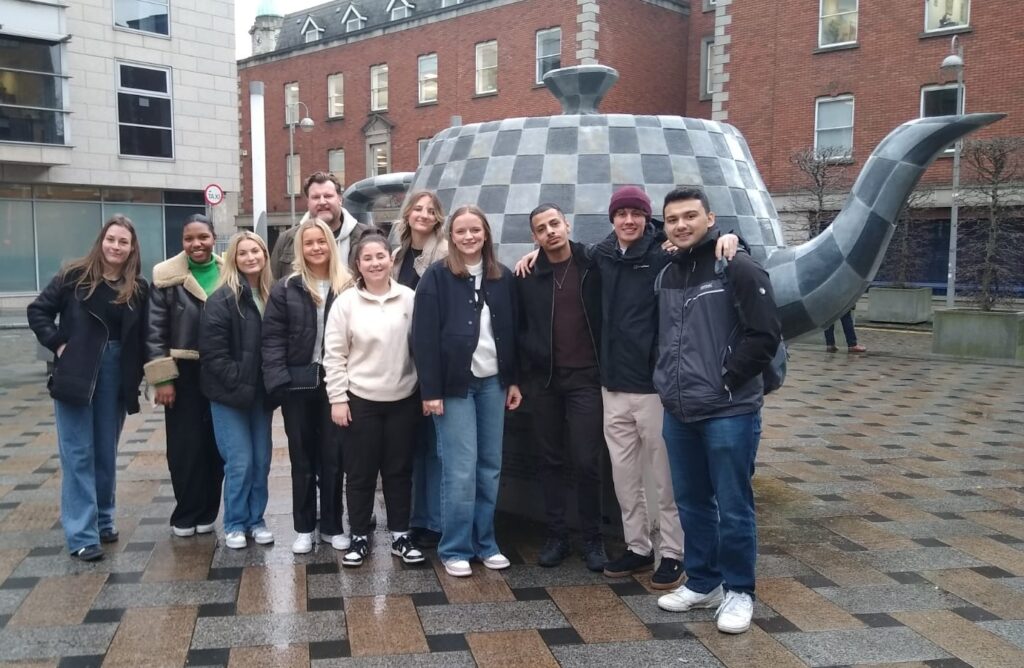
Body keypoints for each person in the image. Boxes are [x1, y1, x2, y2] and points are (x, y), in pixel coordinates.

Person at [514, 186, 738, 590]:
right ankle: (637, 547)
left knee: (663, 476)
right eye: (621, 214)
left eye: (637, 213)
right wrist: (537, 257)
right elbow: (564, 253)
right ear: (611, 219)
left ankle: (673, 552)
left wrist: (736, 239)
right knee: (623, 476)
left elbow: (710, 251)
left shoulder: (664, 252)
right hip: (610, 386)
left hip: (653, 387)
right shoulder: (600, 256)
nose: (629, 221)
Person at [653, 187, 780, 635]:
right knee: (691, 502)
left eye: (690, 216)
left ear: (711, 218)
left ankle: (739, 589)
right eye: (672, 219)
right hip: (679, 409)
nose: (681, 224)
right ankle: (704, 580)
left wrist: (726, 378)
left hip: (729, 409)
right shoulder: (668, 271)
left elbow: (765, 335)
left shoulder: (736, 265)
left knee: (733, 503)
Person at [28, 216, 148, 561]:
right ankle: (82, 533)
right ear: (102, 241)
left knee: (105, 452)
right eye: (111, 239)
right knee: (78, 453)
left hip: (116, 372)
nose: (116, 246)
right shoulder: (73, 278)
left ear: (131, 248)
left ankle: (105, 520)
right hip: (77, 370)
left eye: (123, 242)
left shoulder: (138, 289)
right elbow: (38, 311)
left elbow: (141, 338)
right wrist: (58, 345)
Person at [412, 205, 522, 577]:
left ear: (486, 233)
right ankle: (455, 547)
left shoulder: (502, 277)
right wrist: (431, 391)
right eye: (461, 231)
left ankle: (485, 543)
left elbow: (513, 332)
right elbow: (423, 338)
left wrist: (514, 380)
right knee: (460, 469)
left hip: (494, 383)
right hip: (454, 386)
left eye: (476, 229)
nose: (470, 236)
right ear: (451, 236)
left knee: (490, 467)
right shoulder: (437, 278)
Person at [516, 204, 607, 571]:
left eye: (555, 223)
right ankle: (557, 537)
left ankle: (593, 540)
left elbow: (642, 237)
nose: (550, 231)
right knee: (550, 461)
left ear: (567, 224)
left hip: (587, 379)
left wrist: (732, 240)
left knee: (587, 461)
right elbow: (518, 327)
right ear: (535, 238)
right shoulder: (528, 275)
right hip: (545, 381)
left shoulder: (593, 264)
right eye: (541, 228)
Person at [325, 232, 423, 567]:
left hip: (403, 399)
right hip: (360, 401)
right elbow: (334, 355)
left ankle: (400, 535)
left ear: (391, 259)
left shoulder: (409, 298)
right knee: (361, 472)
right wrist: (338, 398)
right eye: (367, 258)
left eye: (380, 256)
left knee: (398, 470)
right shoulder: (345, 303)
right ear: (357, 265)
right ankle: (359, 537)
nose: (375, 263)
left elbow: (421, 349)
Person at [263, 219, 351, 554]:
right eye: (309, 243)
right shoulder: (286, 288)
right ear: (301, 248)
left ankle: (331, 524)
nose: (316, 248)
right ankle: (303, 527)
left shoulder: (347, 286)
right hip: (297, 386)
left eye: (322, 242)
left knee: (333, 457)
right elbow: (271, 339)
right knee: (301, 459)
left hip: (336, 385)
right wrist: (279, 381)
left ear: (331, 244)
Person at [145, 214, 224, 538]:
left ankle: (208, 510)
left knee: (215, 445)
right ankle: (186, 510)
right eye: (189, 238)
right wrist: (162, 378)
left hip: (220, 370)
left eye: (202, 237)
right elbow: (153, 332)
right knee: (184, 446)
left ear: (213, 238)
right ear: (182, 242)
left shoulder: (229, 271)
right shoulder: (165, 277)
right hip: (183, 373)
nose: (197, 244)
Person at [199, 232, 275, 550]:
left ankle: (256, 520)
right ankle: (234, 522)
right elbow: (213, 353)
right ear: (233, 259)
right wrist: (240, 381)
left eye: (255, 251)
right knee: (239, 460)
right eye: (242, 253)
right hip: (229, 394)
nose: (250, 257)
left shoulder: (272, 294)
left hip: (261, 395)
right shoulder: (222, 299)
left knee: (261, 460)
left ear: (264, 255)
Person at [390, 190, 448, 548]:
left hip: (432, 363)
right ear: (408, 213)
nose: (423, 215)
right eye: (418, 208)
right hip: (401, 363)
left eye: (431, 210)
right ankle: (416, 519)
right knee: (411, 447)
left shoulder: (444, 254)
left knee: (436, 446)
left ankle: (436, 521)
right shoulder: (396, 255)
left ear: (438, 217)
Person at [270, 171, 375, 279]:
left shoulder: (366, 236)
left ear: (340, 199)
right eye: (315, 197)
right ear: (308, 202)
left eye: (328, 196)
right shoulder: (287, 240)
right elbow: (273, 284)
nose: (322, 202)